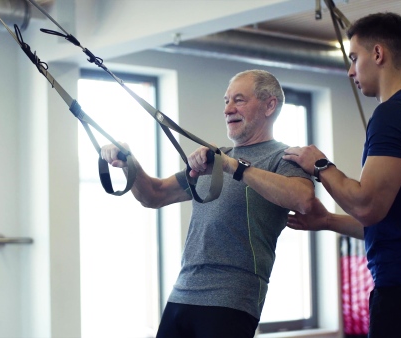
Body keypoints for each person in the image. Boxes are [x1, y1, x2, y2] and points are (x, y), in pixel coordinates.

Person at [101, 69, 314, 337]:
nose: (228, 109)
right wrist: (127, 161)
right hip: (184, 290)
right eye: (226, 101)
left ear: (270, 105)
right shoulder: (217, 158)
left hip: (232, 296)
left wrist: (233, 167)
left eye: (239, 100)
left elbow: (303, 198)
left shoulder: (283, 157)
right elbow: (154, 194)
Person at [282, 12, 401, 338]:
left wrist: (320, 165)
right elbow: (393, 223)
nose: (350, 71)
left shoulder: (393, 114)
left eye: (354, 58)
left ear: (378, 54)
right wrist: (328, 221)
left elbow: (366, 206)